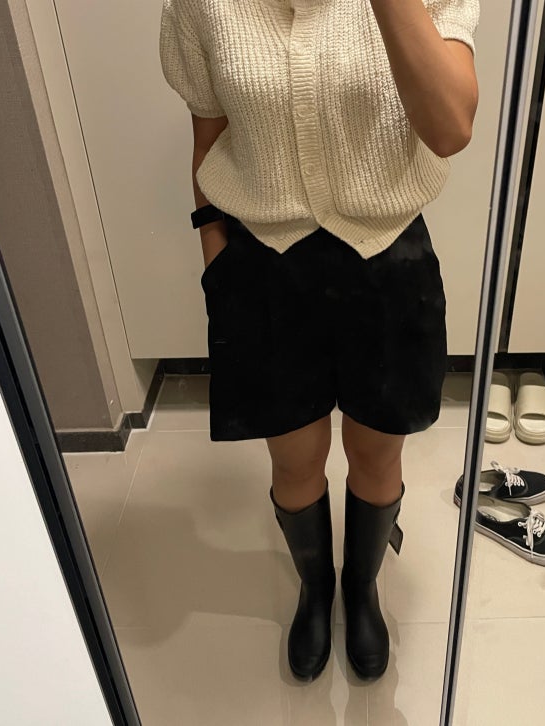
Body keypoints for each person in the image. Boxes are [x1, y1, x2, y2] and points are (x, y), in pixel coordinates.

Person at [159, 0, 479, 682]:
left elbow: (451, 126)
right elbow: (207, 134)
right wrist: (215, 256)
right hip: (265, 263)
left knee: (376, 452)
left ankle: (362, 589)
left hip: (386, 255)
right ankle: (316, 589)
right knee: (295, 460)